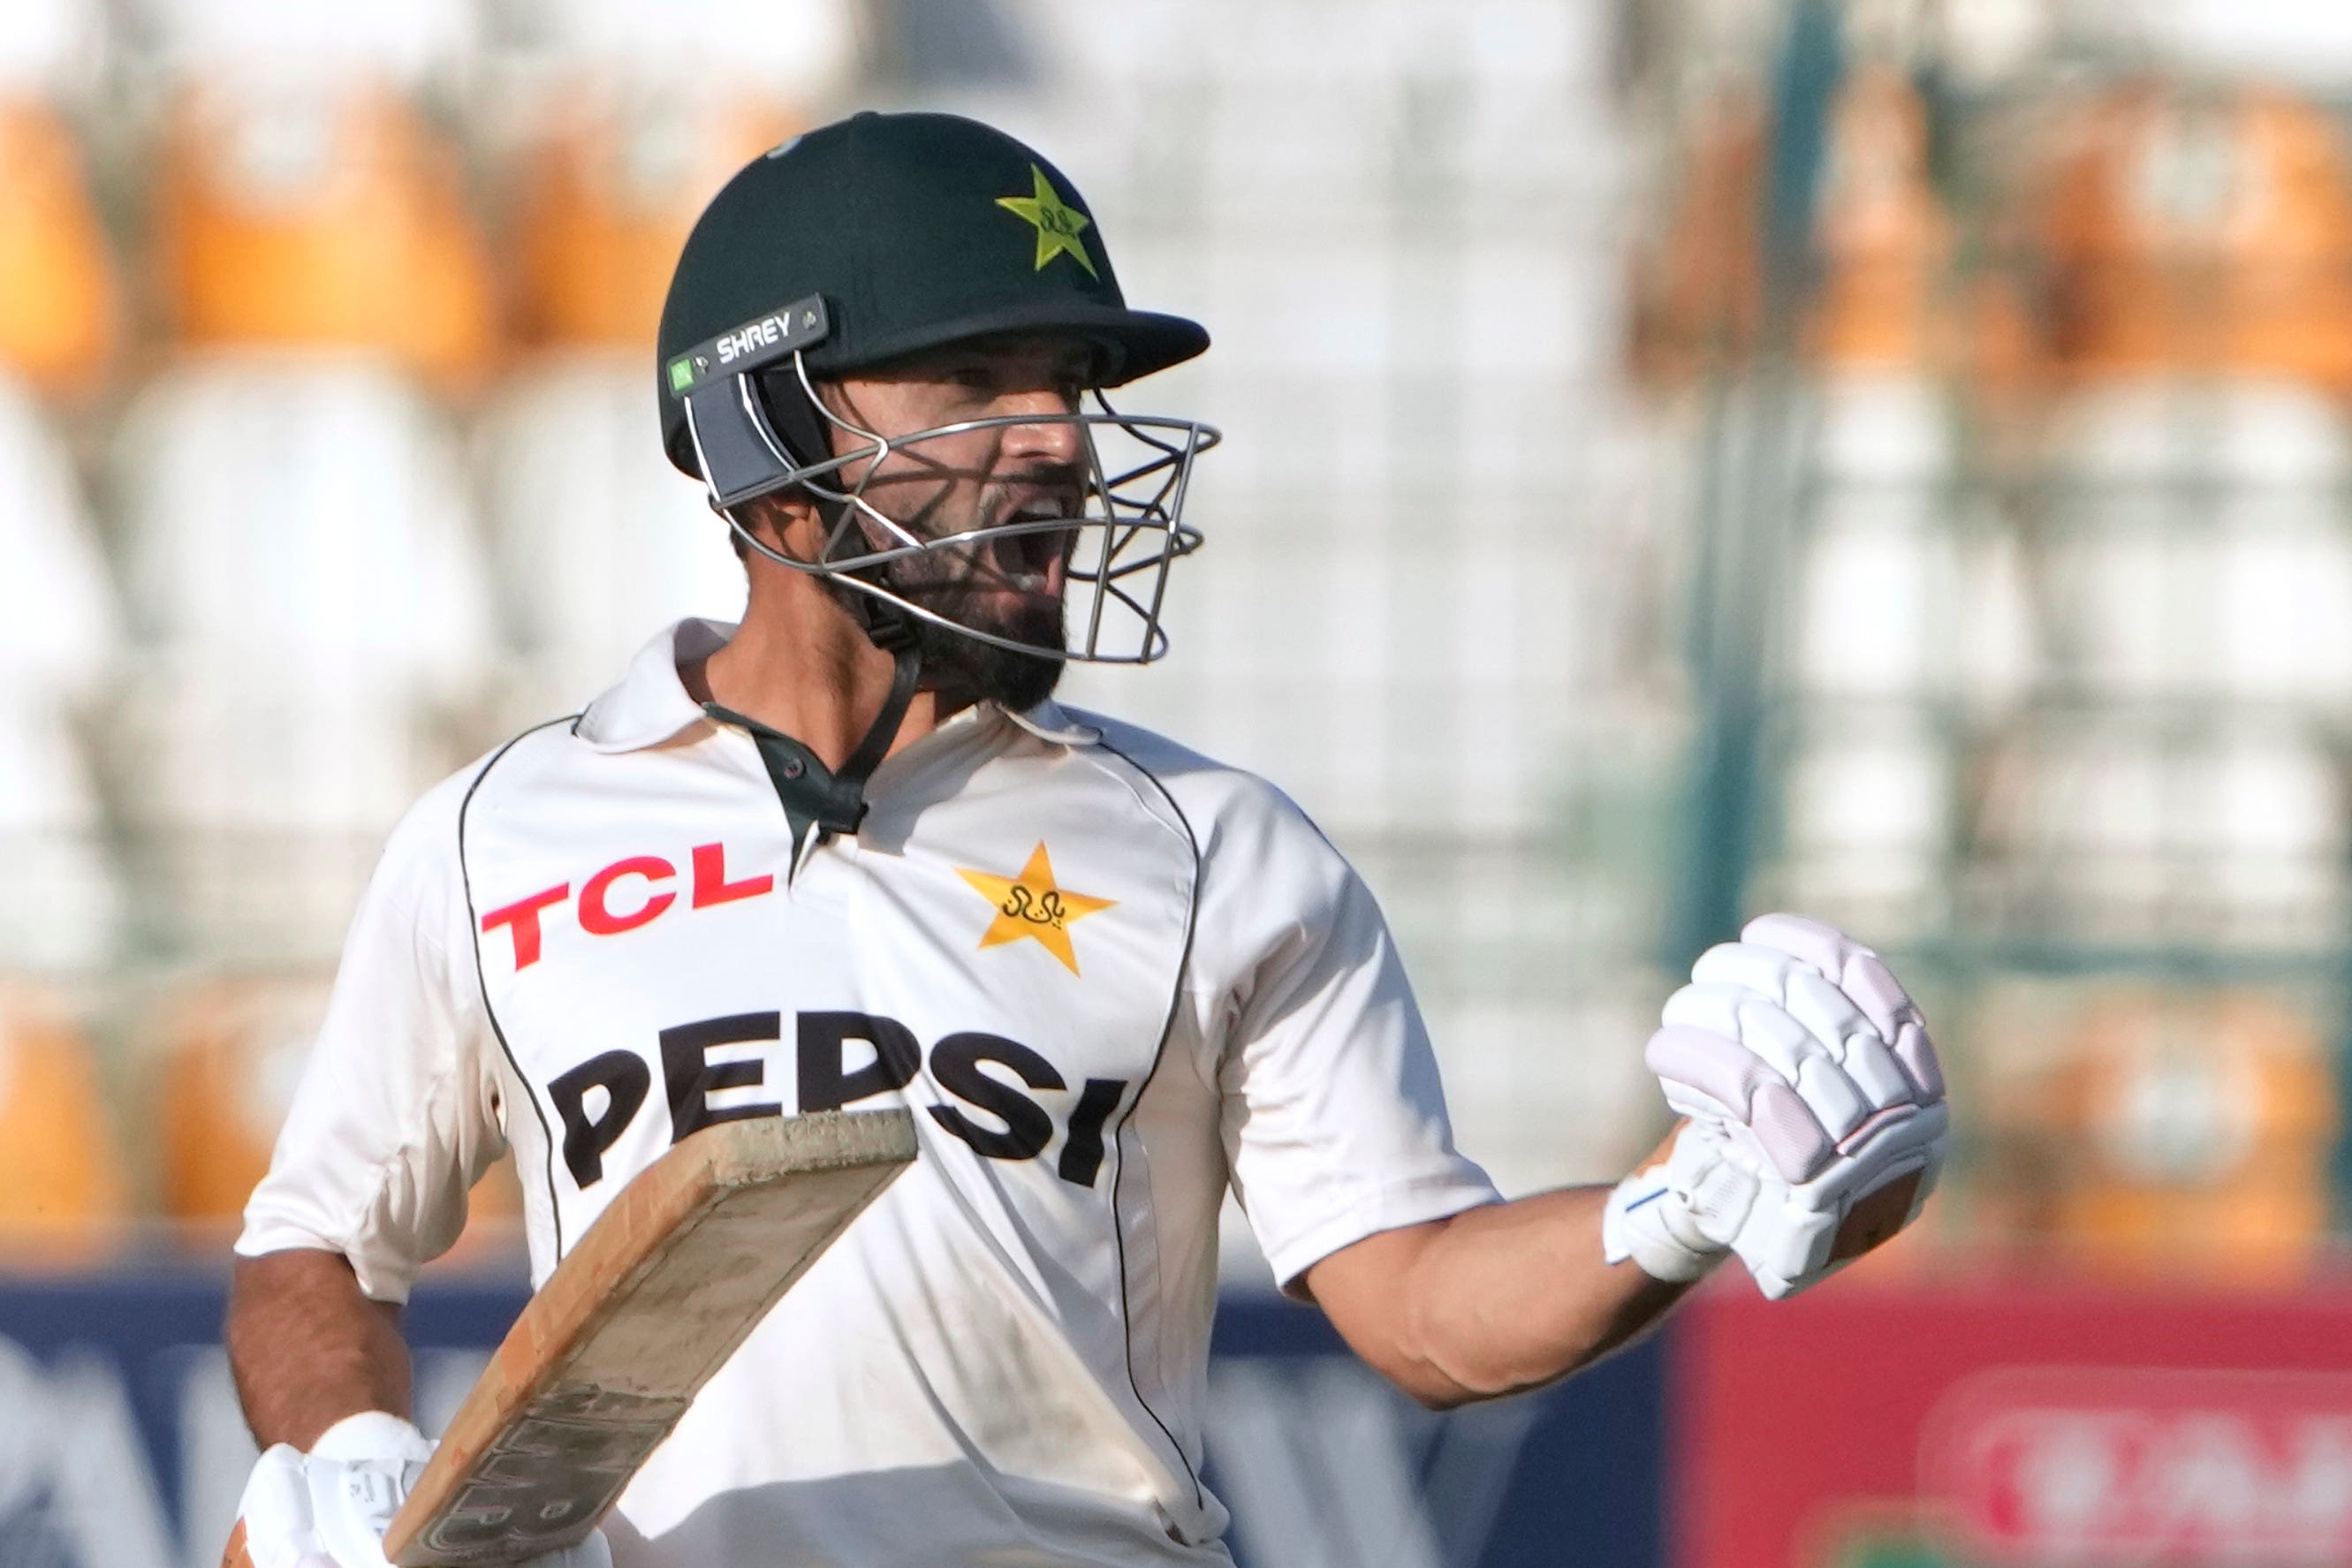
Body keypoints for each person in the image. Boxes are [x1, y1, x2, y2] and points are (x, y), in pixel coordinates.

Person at [225, 110, 1950, 1568]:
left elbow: (1416, 1302)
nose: (1053, 440)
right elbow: (312, 1250)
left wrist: (1679, 1204)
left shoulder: (1210, 852)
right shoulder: (497, 835)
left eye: (1064, 387)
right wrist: (345, 1443)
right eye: (975, 381)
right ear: (768, 444)